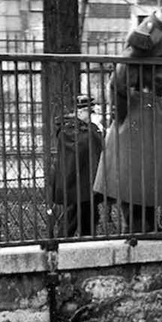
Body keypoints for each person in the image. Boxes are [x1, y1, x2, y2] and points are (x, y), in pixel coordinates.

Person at [92, 0, 162, 234]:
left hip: (152, 107)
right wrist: (123, 114)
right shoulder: (147, 34)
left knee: (149, 170)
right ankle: (136, 226)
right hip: (139, 107)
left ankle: (148, 223)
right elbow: (119, 75)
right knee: (133, 171)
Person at [46, 93, 105, 237]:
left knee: (89, 214)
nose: (90, 115)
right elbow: (85, 143)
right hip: (75, 181)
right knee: (73, 216)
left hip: (86, 179)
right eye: (87, 111)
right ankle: (61, 242)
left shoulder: (83, 126)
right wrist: (95, 127)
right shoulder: (69, 127)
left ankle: (87, 240)